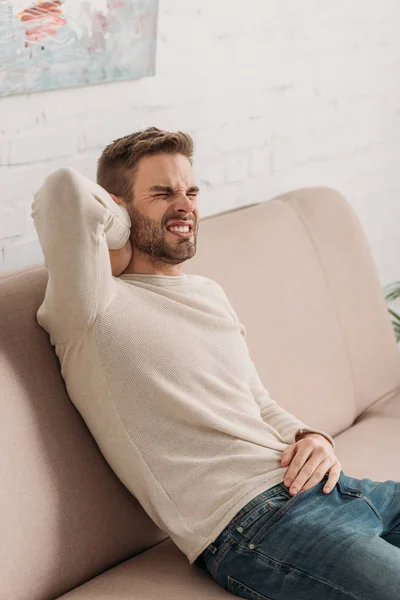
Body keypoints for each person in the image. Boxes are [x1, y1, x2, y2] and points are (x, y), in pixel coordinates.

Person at [31, 127, 400, 600]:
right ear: (117, 207)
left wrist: (313, 438)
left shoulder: (208, 293)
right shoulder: (91, 307)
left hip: (335, 489)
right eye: (162, 194)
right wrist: (118, 233)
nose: (184, 206)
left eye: (191, 192)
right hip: (258, 526)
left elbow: (258, 402)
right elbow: (62, 191)